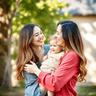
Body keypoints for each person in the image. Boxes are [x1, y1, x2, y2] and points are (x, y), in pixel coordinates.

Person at [24, 20, 87, 96]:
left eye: (58, 33)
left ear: (66, 36)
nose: (55, 36)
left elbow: (54, 84)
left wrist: (36, 71)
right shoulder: (63, 53)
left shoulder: (72, 56)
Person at [16, 24, 50, 96]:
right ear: (28, 39)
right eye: (36, 35)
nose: (41, 36)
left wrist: (36, 71)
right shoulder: (26, 60)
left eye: (41, 33)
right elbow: (40, 90)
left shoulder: (51, 50)